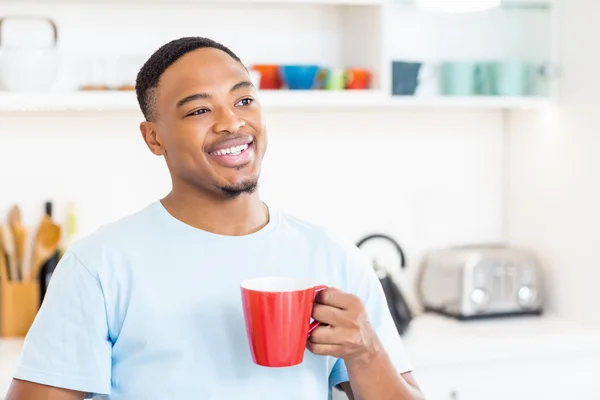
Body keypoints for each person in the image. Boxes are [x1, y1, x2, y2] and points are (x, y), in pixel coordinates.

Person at [6, 37, 424, 400]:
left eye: (244, 100)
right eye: (198, 111)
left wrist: (365, 352)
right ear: (154, 137)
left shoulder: (334, 260)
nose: (232, 122)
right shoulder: (99, 266)